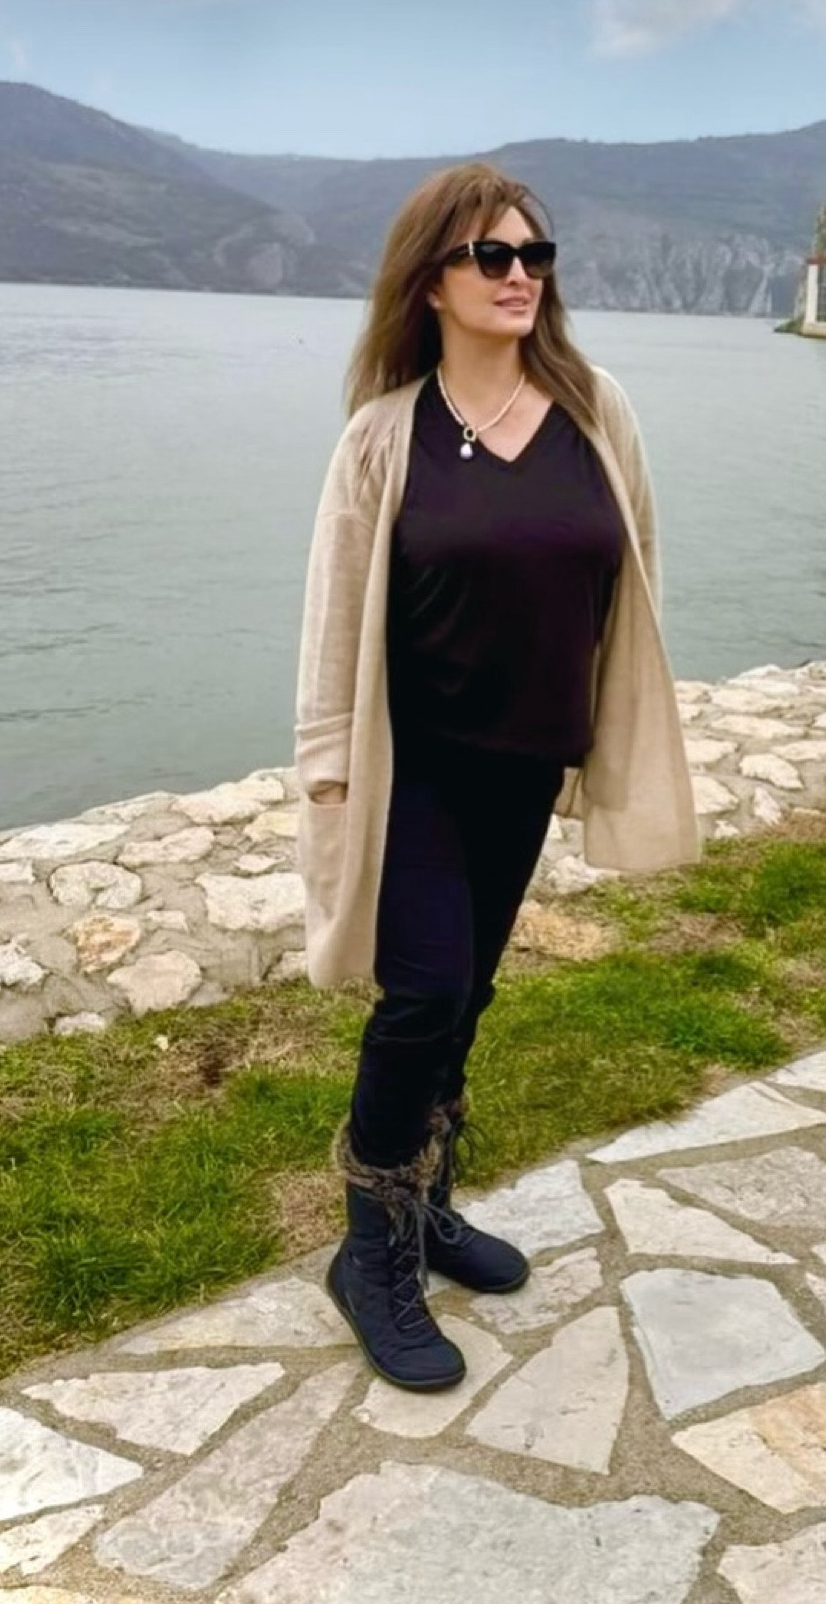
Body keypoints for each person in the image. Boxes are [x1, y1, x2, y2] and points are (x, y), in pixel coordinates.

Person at [294, 162, 698, 1392]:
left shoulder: (595, 407)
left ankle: (426, 1203)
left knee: (466, 994)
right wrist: (327, 765)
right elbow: (335, 609)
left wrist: (610, 730)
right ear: (432, 283)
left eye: (534, 253)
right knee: (419, 994)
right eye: (491, 256)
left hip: (527, 759)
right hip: (414, 764)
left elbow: (634, 565)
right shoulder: (384, 434)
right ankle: (370, 1250)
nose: (520, 273)